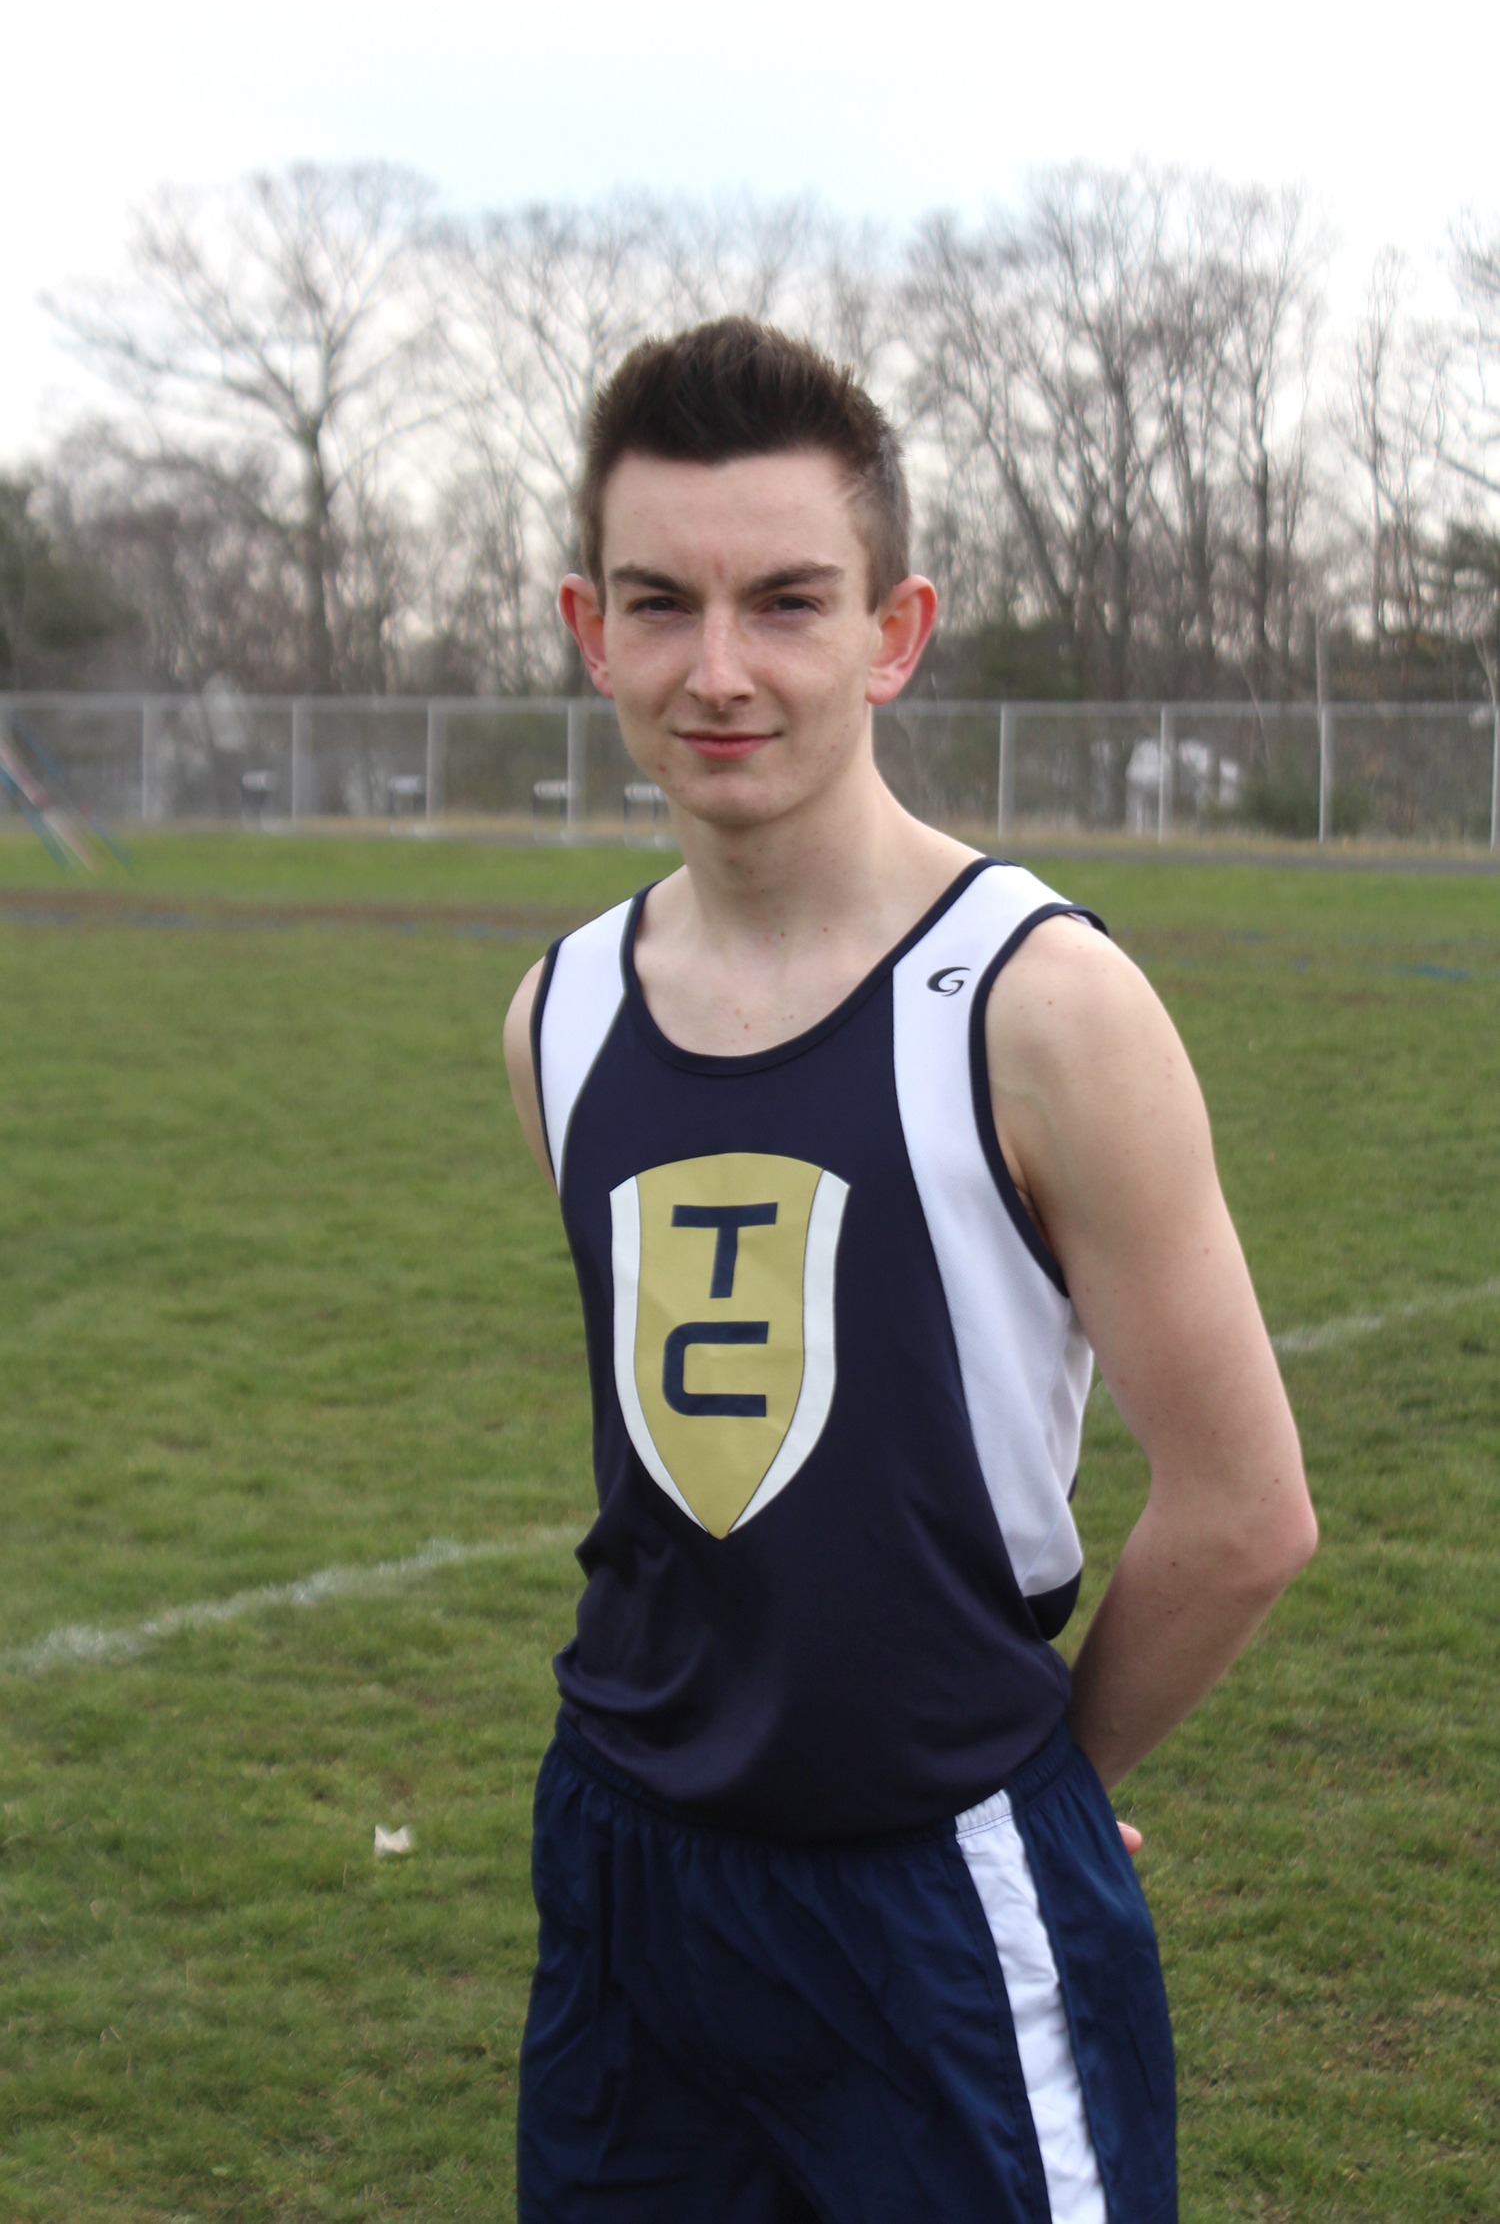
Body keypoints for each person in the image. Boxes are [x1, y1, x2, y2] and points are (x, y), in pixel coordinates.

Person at [502, 317, 1316, 2224]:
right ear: (584, 629)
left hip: (935, 1894)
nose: (720, 669)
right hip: (625, 1873)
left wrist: (1046, 1786)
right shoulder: (558, 1012)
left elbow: (1246, 1512)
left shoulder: (1045, 1005)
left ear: (896, 629)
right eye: (660, 604)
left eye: (787, 601)